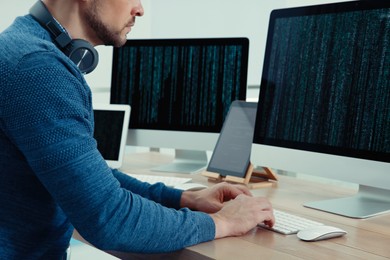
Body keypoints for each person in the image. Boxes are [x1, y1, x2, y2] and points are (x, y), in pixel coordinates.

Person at [0, 0, 275, 258]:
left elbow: (88, 179)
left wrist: (182, 197)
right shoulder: (38, 68)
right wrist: (223, 222)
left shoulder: (21, 47)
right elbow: (111, 218)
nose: (140, 9)